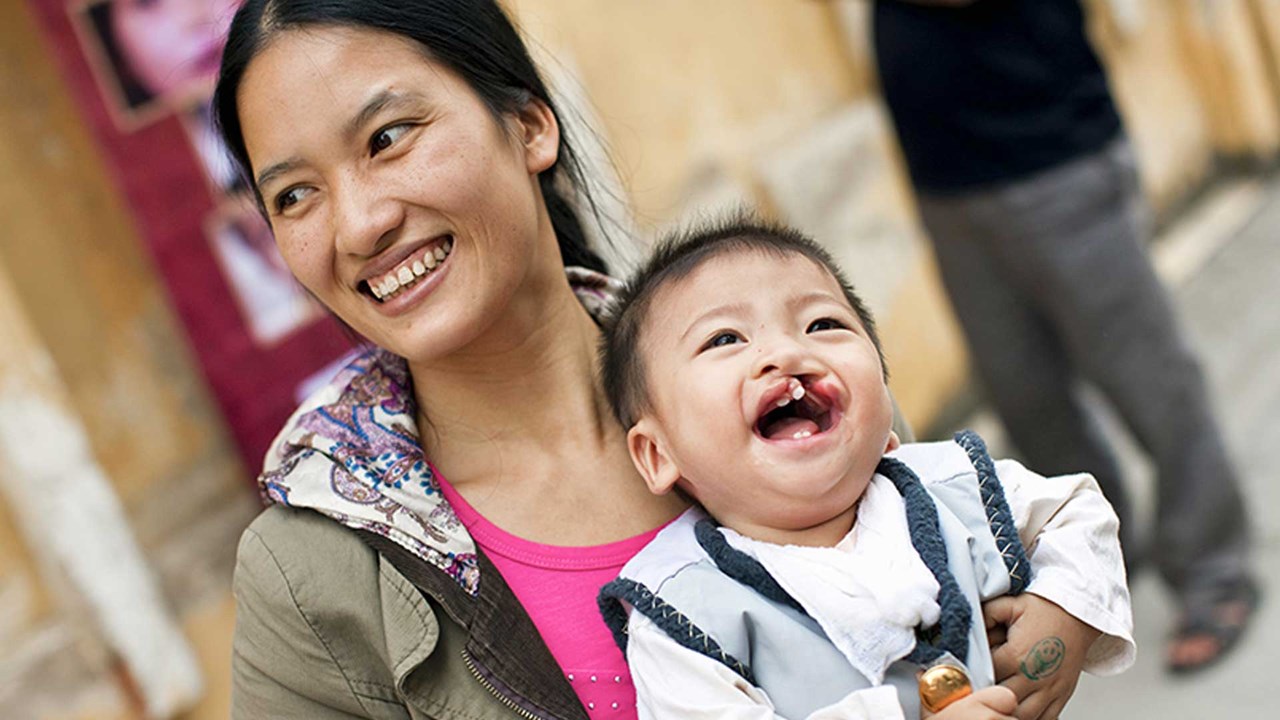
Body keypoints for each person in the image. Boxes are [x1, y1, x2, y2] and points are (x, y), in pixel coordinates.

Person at [214, 1, 1121, 717]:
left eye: (387, 138)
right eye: (295, 195)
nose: (360, 223)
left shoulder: (771, 364)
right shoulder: (312, 575)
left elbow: (977, 589)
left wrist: (1045, 641)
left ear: (529, 125)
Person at [596, 218, 1134, 720]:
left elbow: (1077, 512)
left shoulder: (949, 484)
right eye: (724, 339)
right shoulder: (684, 613)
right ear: (657, 453)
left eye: (822, 324)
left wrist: (1064, 612)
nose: (784, 352)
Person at [871, 0, 1259, 673]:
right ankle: (1098, 563)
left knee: (1150, 381)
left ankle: (1215, 570)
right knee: (1028, 401)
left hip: (1055, 160)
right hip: (947, 183)